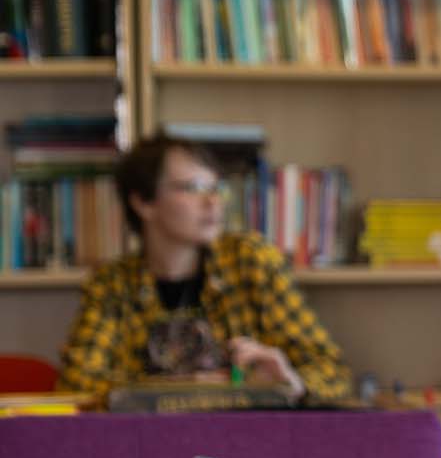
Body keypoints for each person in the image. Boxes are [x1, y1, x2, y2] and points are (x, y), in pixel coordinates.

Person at [57, 137, 349, 402]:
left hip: (245, 445)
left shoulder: (250, 261)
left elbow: (331, 373)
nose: (213, 202)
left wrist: (291, 381)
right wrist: (181, 389)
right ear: (143, 203)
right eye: (193, 188)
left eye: (216, 188)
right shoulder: (112, 284)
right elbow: (78, 387)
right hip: (148, 447)